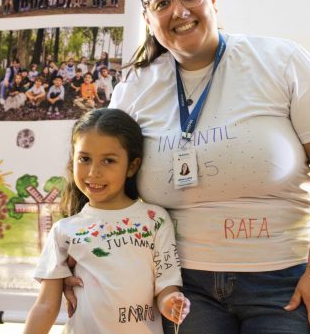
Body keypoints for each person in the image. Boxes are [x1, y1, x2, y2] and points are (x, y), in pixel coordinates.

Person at [65, 0, 310, 334]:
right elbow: (101, 176)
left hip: (284, 281)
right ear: (148, 19)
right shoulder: (135, 89)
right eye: (162, 3)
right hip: (182, 289)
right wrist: (77, 254)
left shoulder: (282, 61)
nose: (179, 10)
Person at [24, 108, 190, 334]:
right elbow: (45, 306)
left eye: (108, 161)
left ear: (132, 166)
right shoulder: (63, 231)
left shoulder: (155, 219)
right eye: (84, 159)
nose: (94, 172)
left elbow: (166, 288)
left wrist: (171, 303)